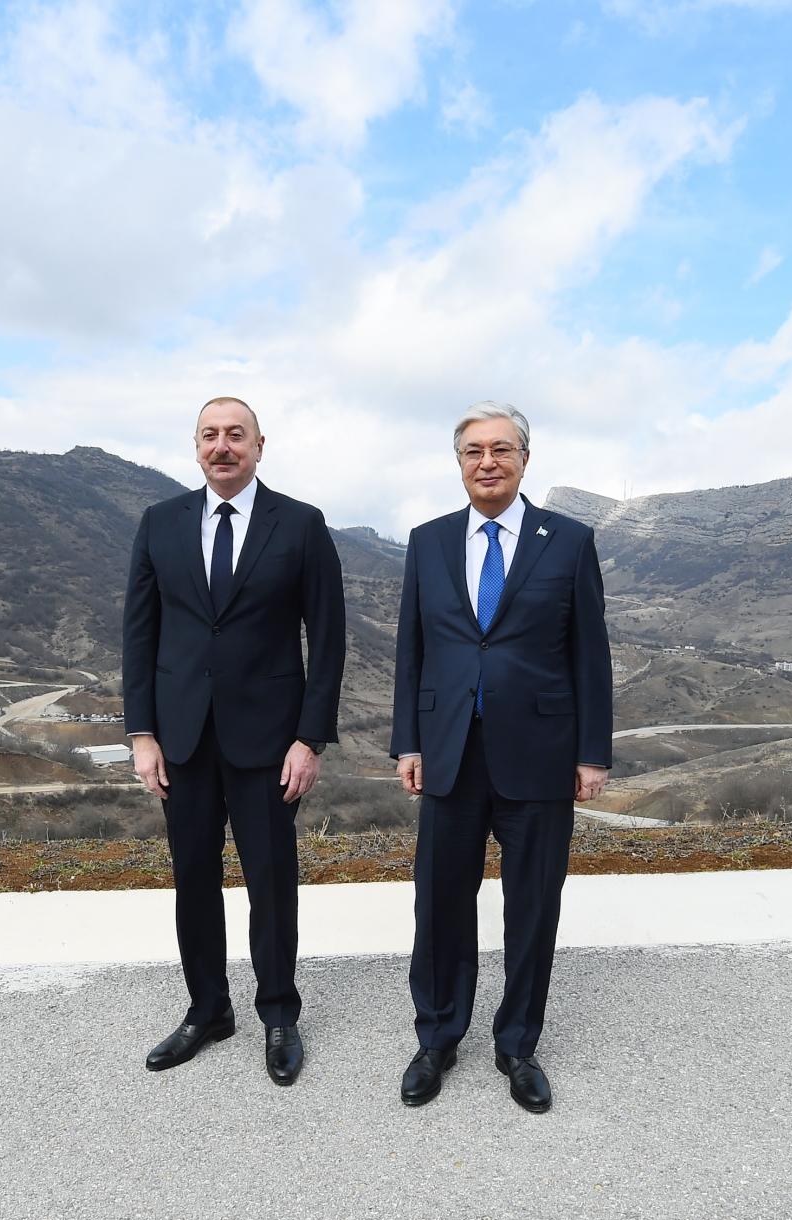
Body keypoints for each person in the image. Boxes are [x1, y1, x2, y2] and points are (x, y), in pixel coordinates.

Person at [389, 401, 612, 1113]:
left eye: (501, 449)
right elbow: (412, 651)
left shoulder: (568, 541)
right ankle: (437, 1038)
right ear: (459, 462)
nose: (487, 462)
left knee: (533, 906)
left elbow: (590, 654)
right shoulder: (427, 542)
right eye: (474, 451)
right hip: (449, 752)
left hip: (540, 754)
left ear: (524, 459)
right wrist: (408, 741)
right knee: (440, 904)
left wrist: (592, 752)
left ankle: (517, 1045)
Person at [123, 396, 345, 1085]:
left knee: (271, 882)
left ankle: (279, 1014)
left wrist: (310, 739)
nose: (223, 446)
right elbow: (139, 635)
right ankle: (208, 1009)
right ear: (196, 446)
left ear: (259, 445)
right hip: (182, 740)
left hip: (270, 743)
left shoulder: (301, 525)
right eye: (210, 435)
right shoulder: (160, 523)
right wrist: (142, 734)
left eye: (236, 435)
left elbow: (329, 639)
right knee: (193, 878)